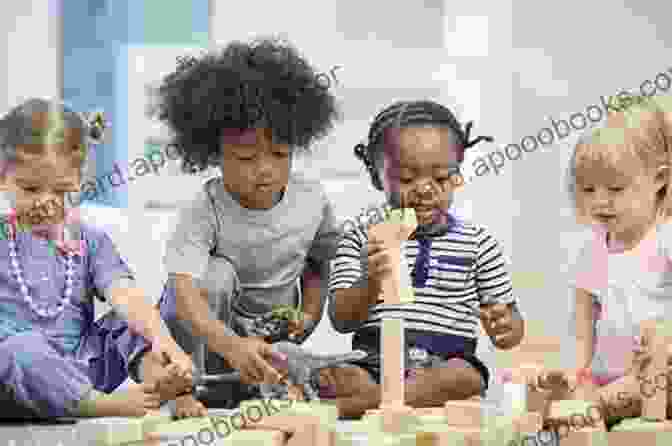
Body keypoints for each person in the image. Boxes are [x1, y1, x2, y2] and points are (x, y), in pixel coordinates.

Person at [153, 37, 341, 417]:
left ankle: (253, 385)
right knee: (215, 275)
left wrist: (310, 313)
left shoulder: (313, 201)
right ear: (213, 152)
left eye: (279, 154)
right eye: (245, 156)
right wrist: (230, 346)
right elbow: (184, 294)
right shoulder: (205, 208)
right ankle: (190, 386)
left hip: (271, 333)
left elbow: (320, 263)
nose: (265, 170)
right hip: (211, 338)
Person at [324, 100, 525, 418]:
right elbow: (341, 320)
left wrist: (504, 325)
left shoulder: (478, 243)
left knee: (465, 377)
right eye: (406, 179)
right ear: (378, 177)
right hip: (374, 360)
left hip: (446, 363)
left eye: (442, 179)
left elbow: (511, 329)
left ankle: (370, 404)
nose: (425, 190)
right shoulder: (361, 239)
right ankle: (389, 398)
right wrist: (370, 279)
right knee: (339, 375)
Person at [0, 98, 195, 418]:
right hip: (17, 379)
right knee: (20, 349)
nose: (46, 203)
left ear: (79, 182)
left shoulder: (91, 241)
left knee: (134, 320)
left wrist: (164, 341)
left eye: (61, 191)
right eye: (31, 188)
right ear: (2, 177)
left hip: (83, 366)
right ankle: (98, 405)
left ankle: (161, 382)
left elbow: (125, 296)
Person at [531, 94, 672, 428]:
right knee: (556, 396)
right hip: (605, 379)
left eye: (616, 188)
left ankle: (597, 410)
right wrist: (574, 373)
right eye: (589, 189)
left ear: (660, 180)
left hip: (656, 379)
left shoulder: (665, 239)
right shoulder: (593, 249)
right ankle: (593, 407)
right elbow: (583, 330)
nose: (601, 201)